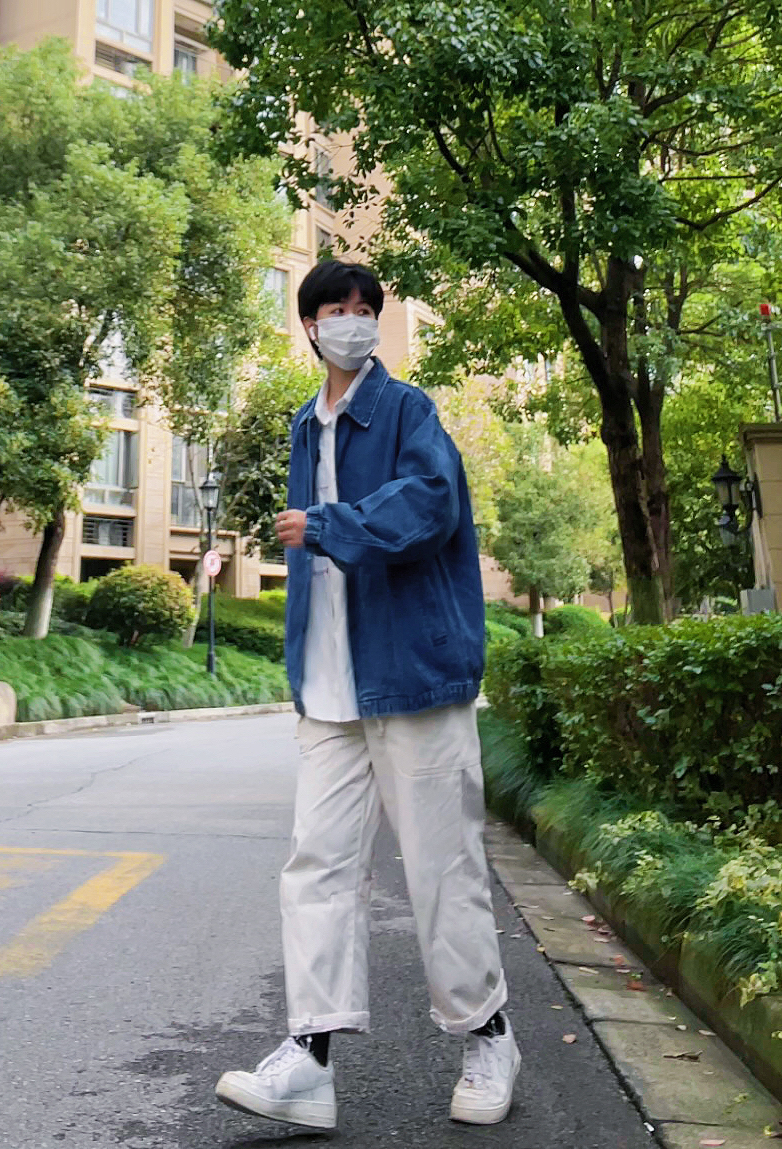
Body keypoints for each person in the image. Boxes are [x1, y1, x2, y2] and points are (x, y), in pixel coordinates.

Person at [215, 260, 518, 1129]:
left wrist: (328, 526)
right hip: (327, 688)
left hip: (412, 676)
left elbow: (429, 505)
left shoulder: (408, 410)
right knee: (316, 867)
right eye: (334, 307)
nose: (351, 319)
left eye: (364, 307)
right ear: (308, 325)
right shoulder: (301, 427)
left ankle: (488, 1035)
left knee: (441, 868)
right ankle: (309, 1060)